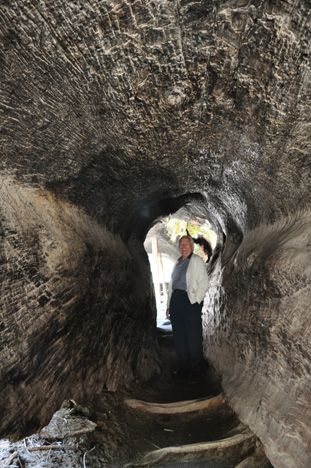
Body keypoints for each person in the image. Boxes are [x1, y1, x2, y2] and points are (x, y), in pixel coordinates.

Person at [166, 235, 209, 379]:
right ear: (179, 248)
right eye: (181, 244)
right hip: (176, 301)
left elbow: (204, 283)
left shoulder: (196, 261)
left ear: (191, 246)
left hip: (190, 301)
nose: (183, 247)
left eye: (186, 244)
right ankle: (185, 368)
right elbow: (171, 287)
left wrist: (196, 301)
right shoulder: (177, 263)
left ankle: (197, 370)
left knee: (193, 337)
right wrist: (169, 306)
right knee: (179, 337)